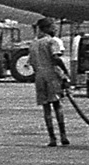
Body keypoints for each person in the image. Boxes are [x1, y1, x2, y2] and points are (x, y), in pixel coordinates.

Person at [27, 18, 71, 147]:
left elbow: (32, 62)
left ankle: (52, 138)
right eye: (53, 27)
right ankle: (63, 135)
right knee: (57, 105)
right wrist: (65, 71)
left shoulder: (33, 44)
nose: (55, 29)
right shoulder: (52, 41)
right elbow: (55, 58)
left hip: (39, 77)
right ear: (46, 28)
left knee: (46, 108)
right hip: (52, 75)